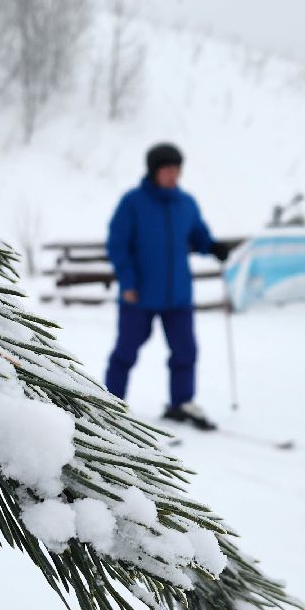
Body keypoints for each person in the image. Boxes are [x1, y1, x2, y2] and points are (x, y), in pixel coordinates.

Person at [104, 143, 231, 430]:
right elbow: (117, 245)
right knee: (126, 351)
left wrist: (212, 247)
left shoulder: (186, 203)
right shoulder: (132, 203)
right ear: (154, 171)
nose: (174, 175)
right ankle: (110, 404)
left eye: (177, 169)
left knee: (186, 350)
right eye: (168, 169)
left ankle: (181, 403)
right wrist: (128, 282)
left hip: (177, 295)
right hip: (139, 294)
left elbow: (198, 235)